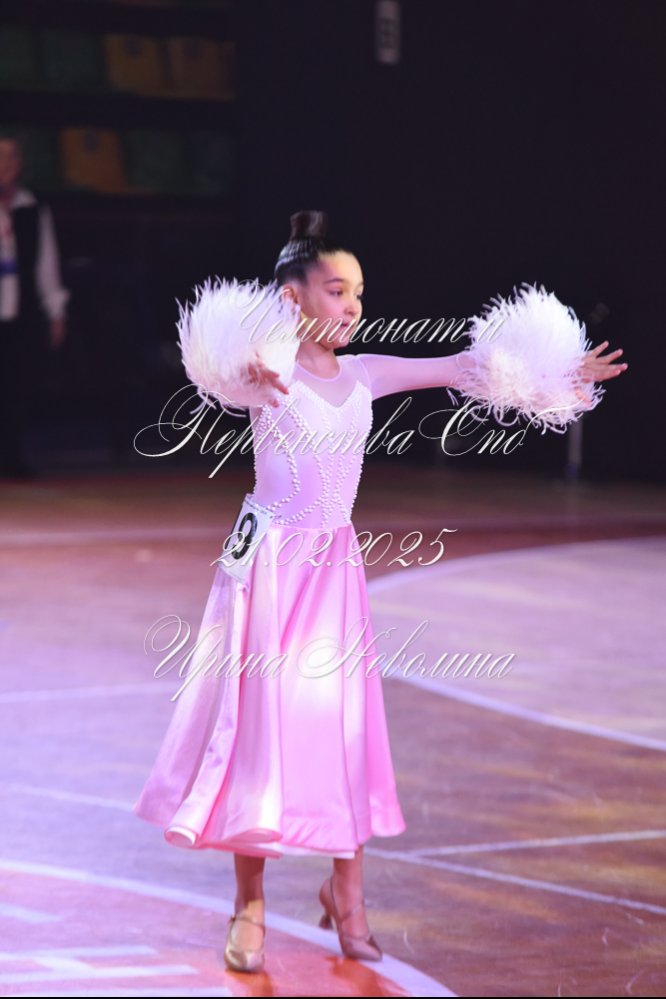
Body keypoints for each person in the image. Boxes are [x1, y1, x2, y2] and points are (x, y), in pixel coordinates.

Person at [133, 210, 627, 973]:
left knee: (344, 731)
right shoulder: (268, 373)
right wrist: (244, 366)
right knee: (257, 734)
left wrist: (559, 372)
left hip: (333, 577)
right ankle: (249, 904)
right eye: (338, 290)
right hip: (270, 576)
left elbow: (465, 367)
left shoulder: (364, 374)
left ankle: (348, 894)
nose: (353, 305)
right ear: (292, 298)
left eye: (359, 292)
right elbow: (219, 371)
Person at [0, 131, 69, 477]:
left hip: (20, 307)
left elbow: (46, 263)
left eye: (11, 157)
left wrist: (55, 309)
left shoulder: (31, 207)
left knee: (14, 383)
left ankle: (12, 454)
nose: (6, 164)